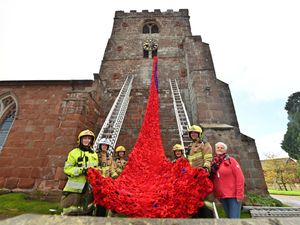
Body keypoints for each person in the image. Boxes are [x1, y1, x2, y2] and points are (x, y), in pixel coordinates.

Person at [60, 129, 99, 216]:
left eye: (89, 139)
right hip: (74, 189)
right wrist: (81, 170)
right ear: (80, 140)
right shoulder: (73, 153)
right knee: (70, 211)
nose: (87, 140)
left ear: (92, 141)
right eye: (85, 138)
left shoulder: (94, 154)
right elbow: (67, 169)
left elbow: (95, 168)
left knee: (87, 210)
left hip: (89, 187)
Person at [210, 142, 245, 218]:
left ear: (225, 150)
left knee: (234, 219)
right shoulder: (214, 163)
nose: (219, 149)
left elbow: (240, 177)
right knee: (229, 218)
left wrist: (240, 194)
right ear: (215, 150)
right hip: (222, 196)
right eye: (218, 148)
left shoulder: (231, 160)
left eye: (222, 148)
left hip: (234, 195)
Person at [187, 124, 214, 218]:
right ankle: (196, 217)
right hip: (192, 176)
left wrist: (206, 168)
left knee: (204, 198)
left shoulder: (205, 144)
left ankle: (208, 218)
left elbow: (208, 158)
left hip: (201, 175)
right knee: (194, 197)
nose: (193, 134)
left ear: (199, 134)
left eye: (195, 133)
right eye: (192, 133)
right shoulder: (190, 146)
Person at [94, 137, 114, 216]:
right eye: (103, 145)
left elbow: (112, 168)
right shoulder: (95, 156)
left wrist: (114, 175)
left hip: (106, 182)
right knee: (96, 200)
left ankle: (101, 215)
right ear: (100, 146)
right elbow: (94, 167)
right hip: (97, 181)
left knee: (104, 201)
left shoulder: (109, 157)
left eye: (106, 146)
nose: (104, 147)